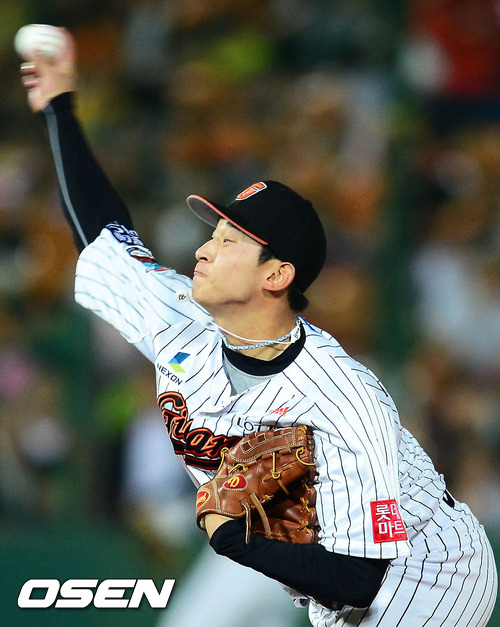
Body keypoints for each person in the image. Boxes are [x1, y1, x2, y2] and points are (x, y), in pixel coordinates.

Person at [19, 27, 497, 627]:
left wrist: (234, 538)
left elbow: (359, 578)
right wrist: (59, 107)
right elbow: (103, 233)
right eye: (212, 235)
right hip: (303, 546)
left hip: (428, 576)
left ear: (276, 275)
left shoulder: (342, 395)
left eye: (229, 242)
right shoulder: (179, 320)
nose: (204, 250)